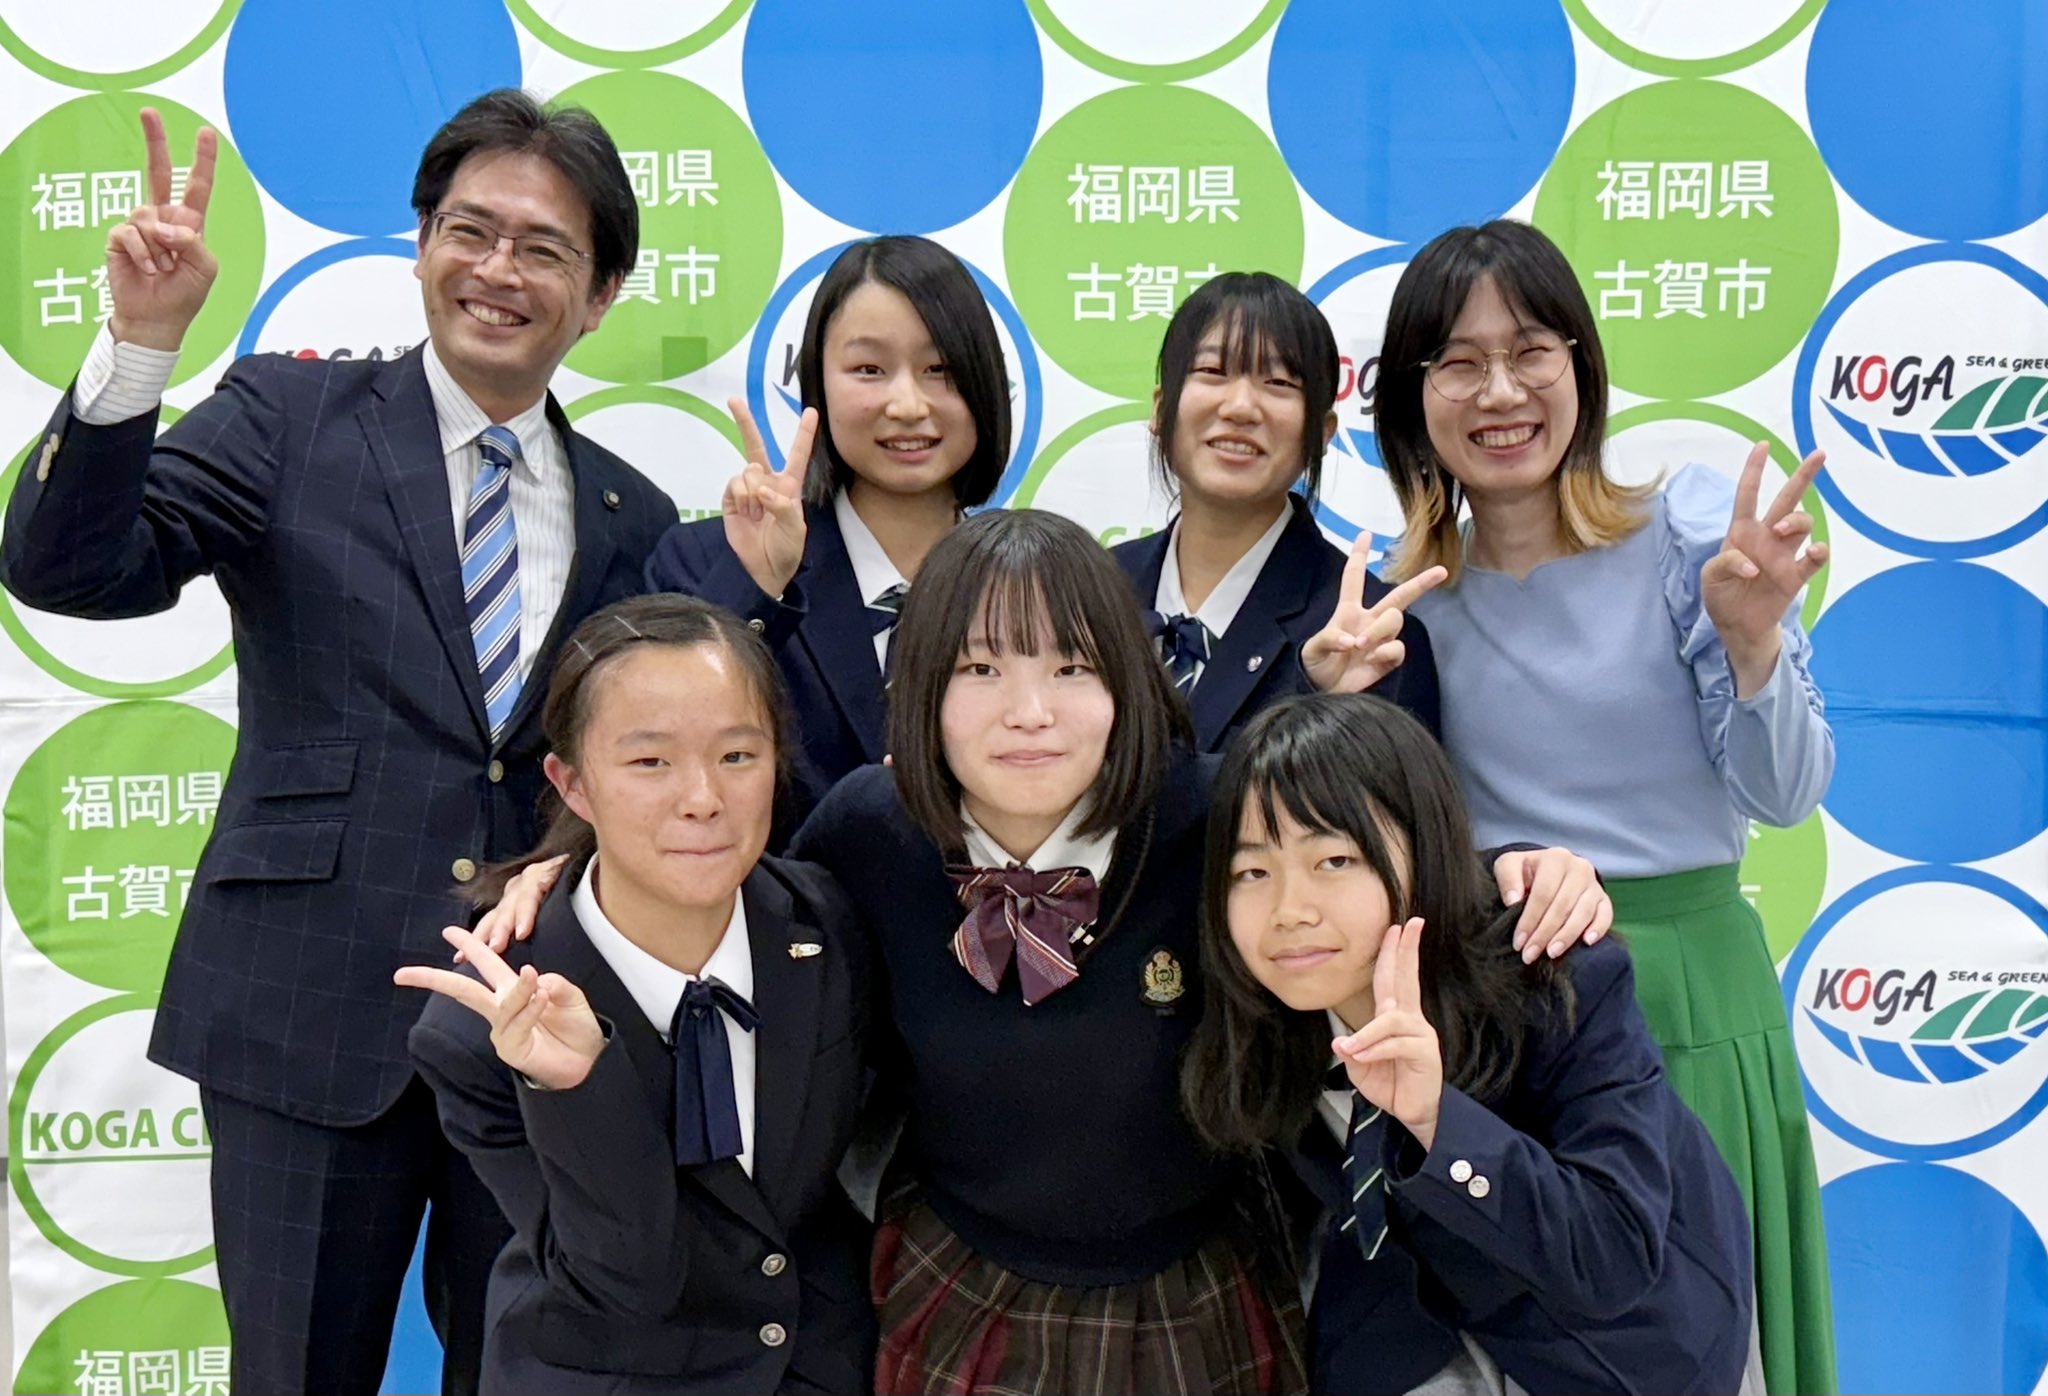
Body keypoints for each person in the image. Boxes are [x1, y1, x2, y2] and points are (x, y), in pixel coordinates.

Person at [478, 510, 1607, 1396]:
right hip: (957, 1272)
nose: (1029, 711)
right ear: (919, 689)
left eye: (1071, 668)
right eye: (978, 671)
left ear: (1126, 682)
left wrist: (1523, 868)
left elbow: (1362, 863)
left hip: (1202, 1272)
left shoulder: (1212, 816)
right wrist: (564, 875)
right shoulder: (872, 830)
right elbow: (721, 892)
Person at [0, 91, 677, 1394]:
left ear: (597, 296)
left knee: (522, 1372)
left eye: (543, 248)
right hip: (304, 1012)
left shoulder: (630, 514)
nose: (497, 269)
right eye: (468, 230)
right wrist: (139, 348)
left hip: (524, 1032)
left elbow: (624, 764)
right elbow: (67, 566)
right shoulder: (286, 421)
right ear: (421, 244)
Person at [1375, 218, 1834, 1394]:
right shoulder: (1401, 597)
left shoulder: (1684, 534)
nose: (1499, 390)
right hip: (1519, 1005)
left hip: (1691, 986)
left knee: (1704, 1338)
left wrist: (1751, 643)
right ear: (1411, 396)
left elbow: (1784, 794)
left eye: (1528, 349)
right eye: (1456, 362)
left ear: (1579, 362)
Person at [1185, 693, 1759, 1396]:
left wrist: (1436, 1121)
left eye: (1334, 860)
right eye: (1252, 872)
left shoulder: (1553, 975)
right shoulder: (1268, 1011)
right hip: (1411, 1322)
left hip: (1620, 1348)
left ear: (1424, 854)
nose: (1290, 912)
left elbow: (1610, 1256)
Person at [399, 595, 873, 1394]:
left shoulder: (830, 924)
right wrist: (579, 1089)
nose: (702, 798)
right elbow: (622, 1283)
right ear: (572, 782)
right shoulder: (479, 1027)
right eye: (649, 762)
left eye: (738, 756)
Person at [644, 235, 1011, 819]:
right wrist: (757, 587)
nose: (907, 403)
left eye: (940, 369)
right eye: (869, 369)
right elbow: (654, 746)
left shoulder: (1031, 584)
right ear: (817, 383)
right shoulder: (703, 561)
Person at [1113, 271, 1439, 751]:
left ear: (1322, 433)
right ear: (1161, 411)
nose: (1241, 407)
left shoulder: (1372, 638)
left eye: (1279, 381)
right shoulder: (1090, 592)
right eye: (1212, 372)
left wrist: (1314, 698)